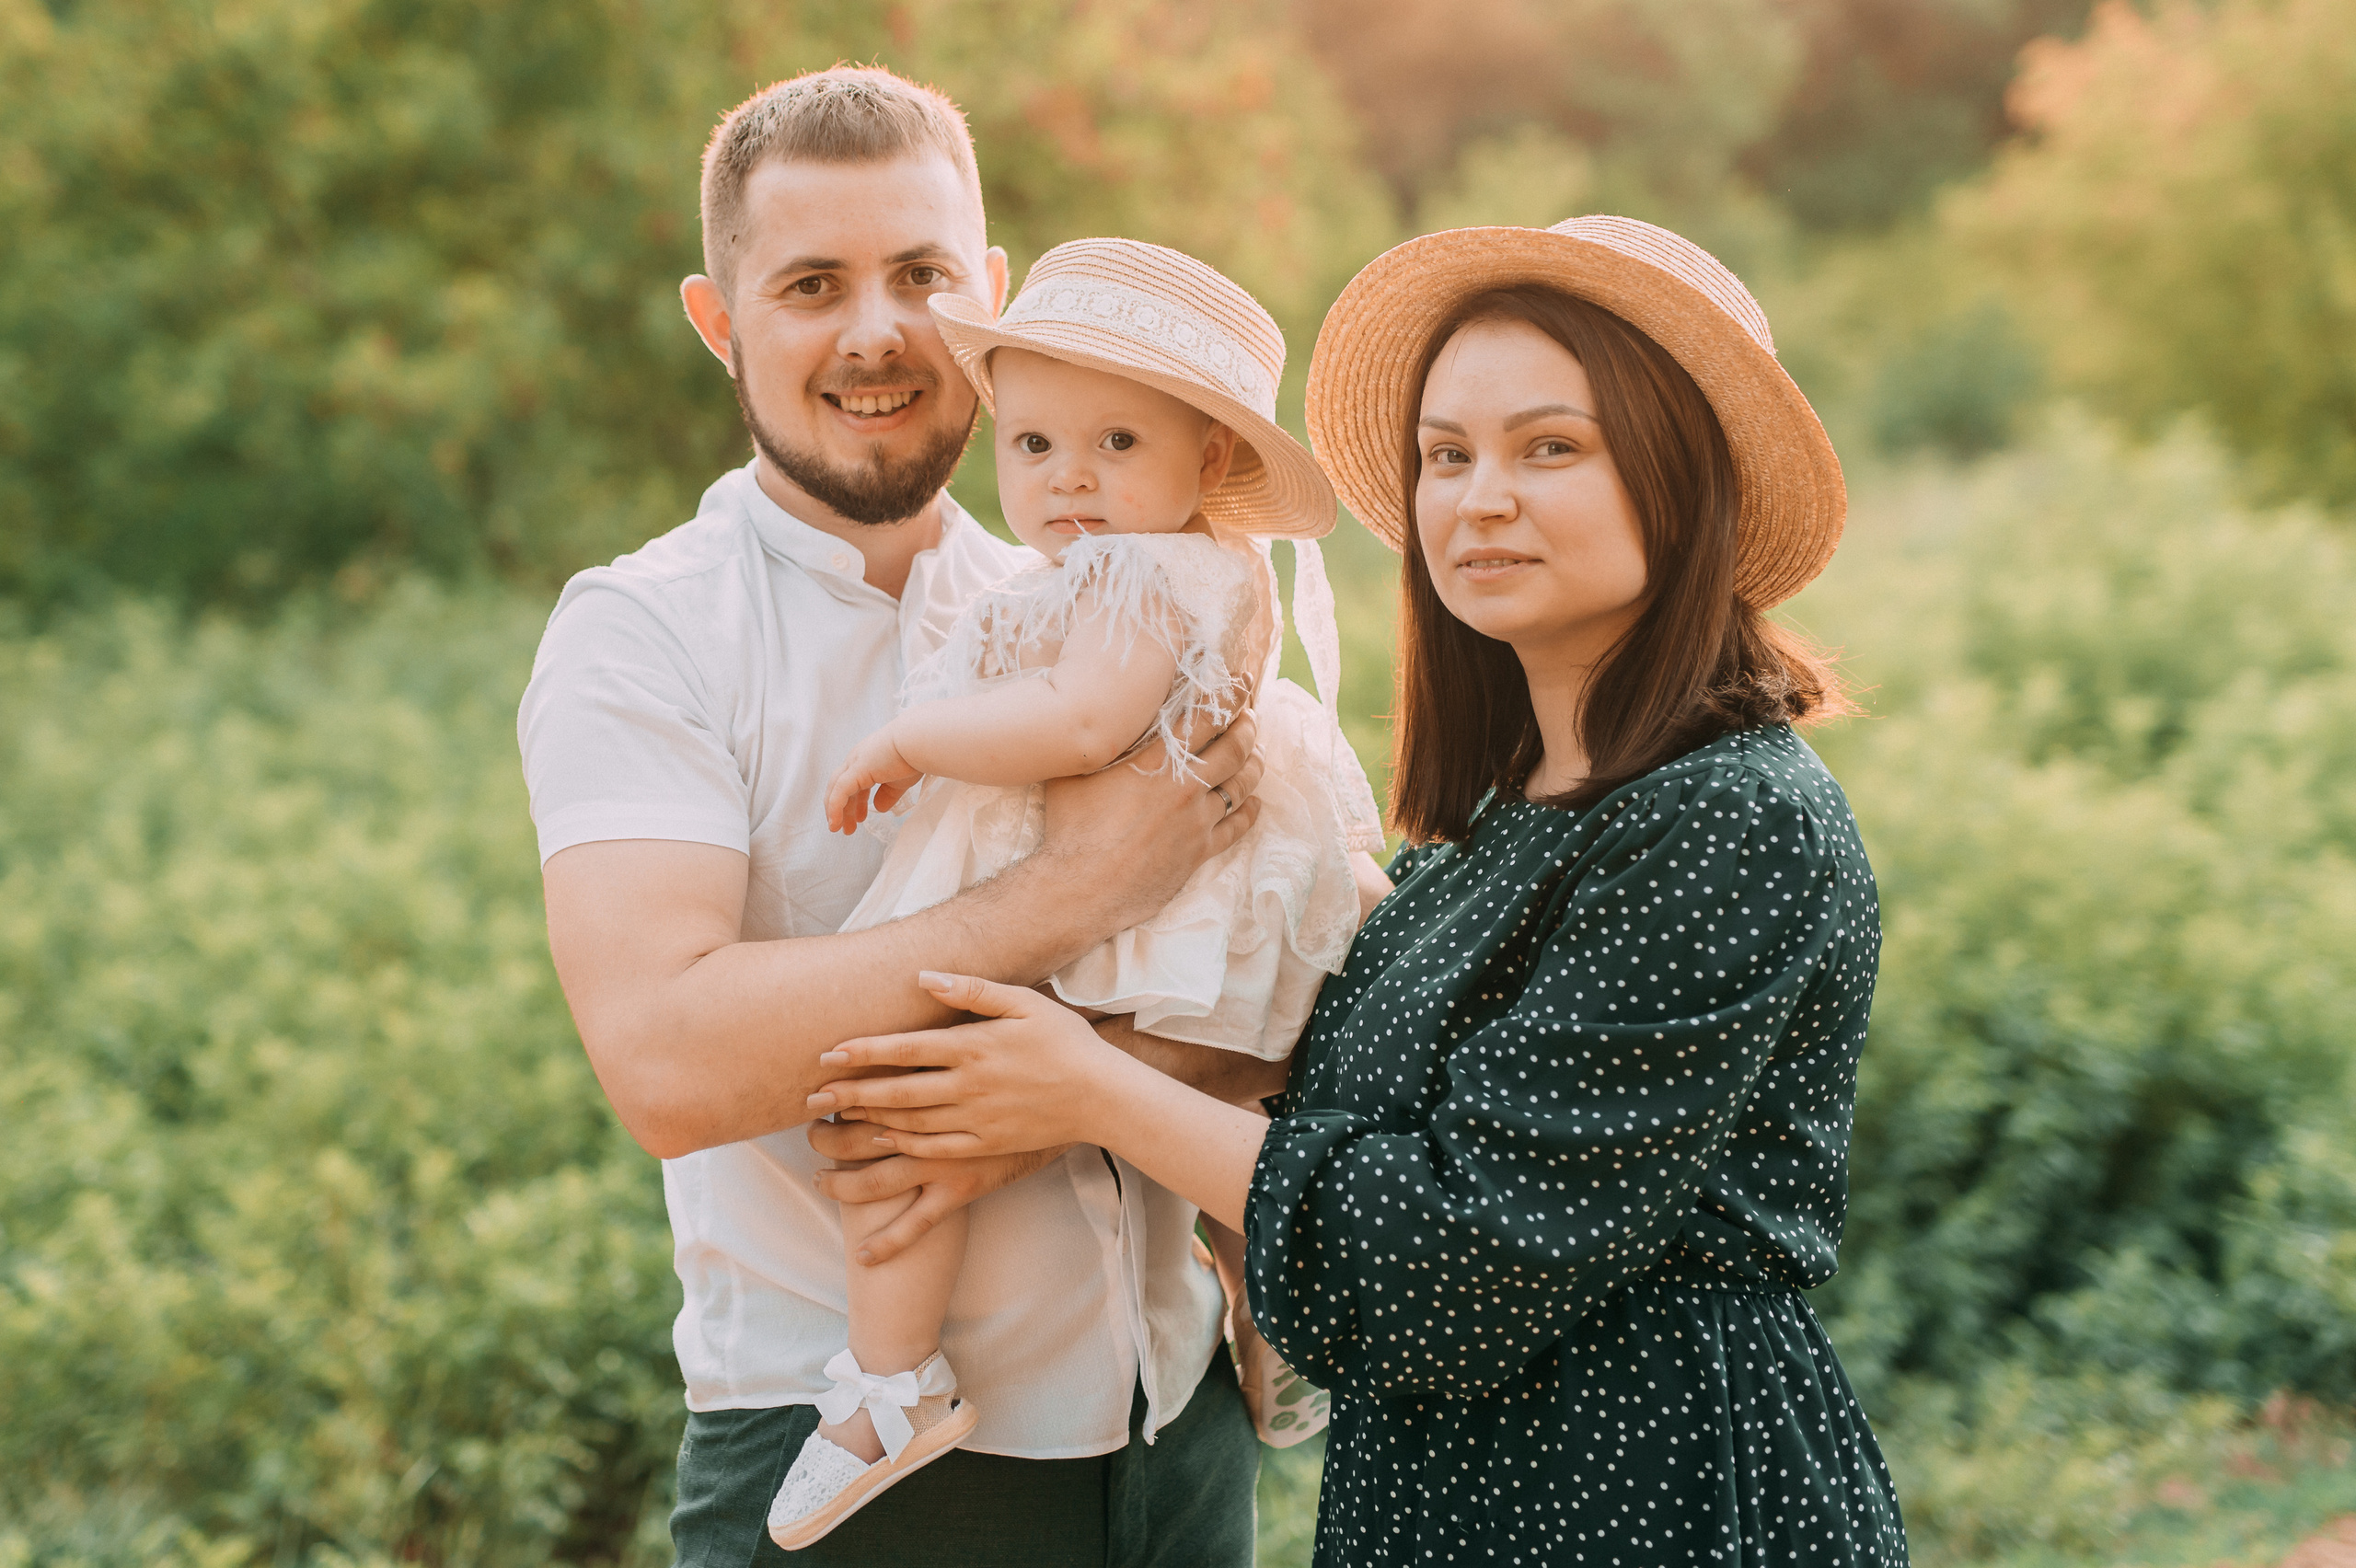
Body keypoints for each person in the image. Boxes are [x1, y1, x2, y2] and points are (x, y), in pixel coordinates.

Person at [804, 215, 1912, 1566]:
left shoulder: (1730, 822)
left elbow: (1451, 1256)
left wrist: (1086, 1090)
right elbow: (1304, 1092)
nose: (1478, 496)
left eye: (1548, 447)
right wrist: (1030, 1082)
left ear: (1685, 484)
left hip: (1648, 1497)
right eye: (1447, 455)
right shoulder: (1498, 831)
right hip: (1448, 1507)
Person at [518, 66, 1282, 1568]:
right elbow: (668, 1063)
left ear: (991, 302)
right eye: (812, 284)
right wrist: (1069, 895)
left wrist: (1064, 1093)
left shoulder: (1103, 604)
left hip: (1179, 1441)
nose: (878, 331)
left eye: (922, 276)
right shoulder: (643, 632)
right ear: (719, 322)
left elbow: (1259, 951)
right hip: (858, 1468)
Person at [768, 236, 1384, 1548]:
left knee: (910, 1130)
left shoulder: (1142, 573)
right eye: (1037, 447)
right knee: (1169, 1118)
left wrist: (914, 740)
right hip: (1180, 898)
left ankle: (888, 1382)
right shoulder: (1132, 571)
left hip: (1143, 900)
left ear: (1209, 464)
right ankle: (1265, 1323)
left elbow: (1079, 718)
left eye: (1116, 443)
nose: (1071, 481)